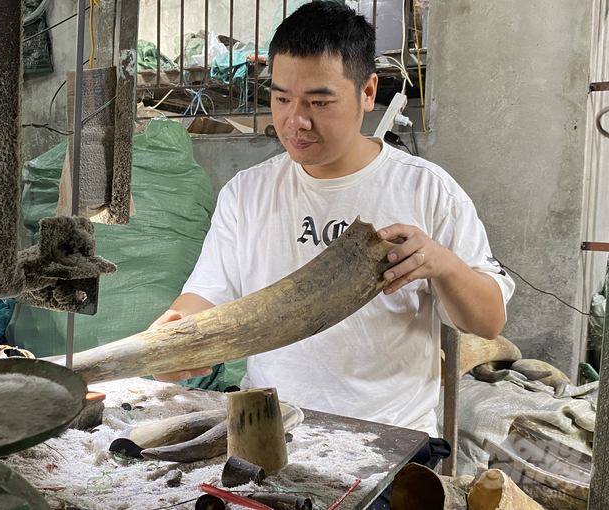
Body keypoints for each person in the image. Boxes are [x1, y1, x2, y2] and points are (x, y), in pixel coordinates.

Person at [151, 2, 514, 505]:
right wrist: (173, 339)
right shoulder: (247, 194)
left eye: (319, 102)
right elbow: (207, 296)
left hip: (386, 448)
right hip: (267, 440)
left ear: (368, 92)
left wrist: (443, 264)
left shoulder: (427, 191)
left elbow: (488, 321)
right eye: (280, 97)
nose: (295, 120)